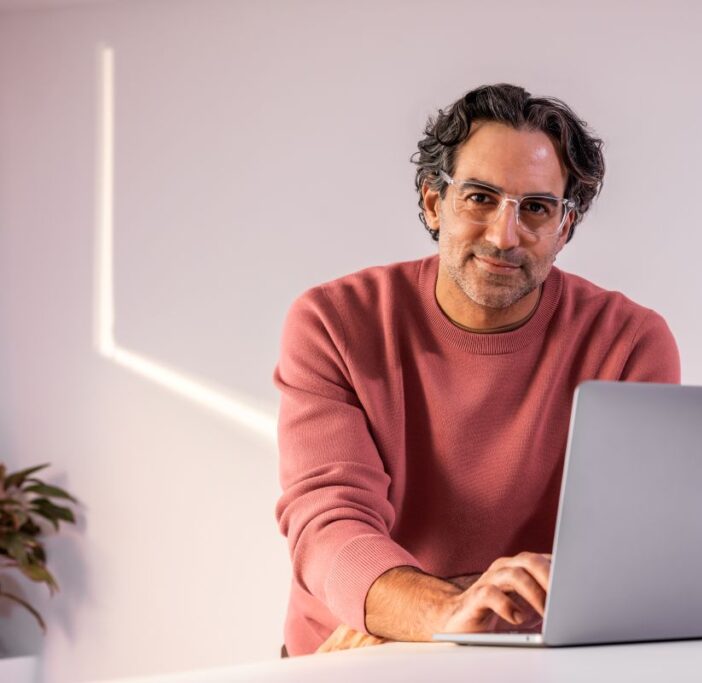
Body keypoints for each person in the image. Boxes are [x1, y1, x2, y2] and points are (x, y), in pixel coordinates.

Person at [274, 83, 680, 656]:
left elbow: (628, 546)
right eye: (480, 198)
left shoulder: (630, 341)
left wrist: (430, 616)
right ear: (434, 203)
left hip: (529, 654)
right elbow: (328, 521)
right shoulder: (334, 322)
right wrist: (437, 613)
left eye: (536, 208)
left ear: (564, 228)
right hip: (355, 652)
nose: (503, 235)